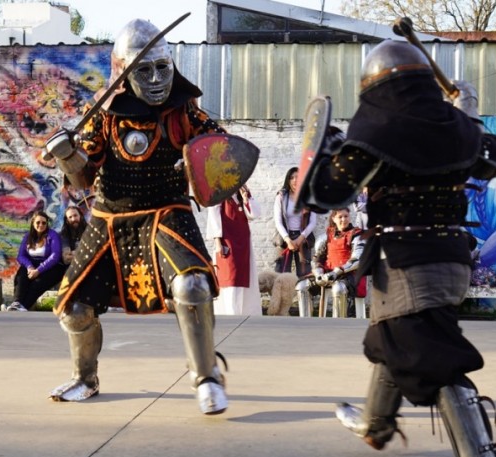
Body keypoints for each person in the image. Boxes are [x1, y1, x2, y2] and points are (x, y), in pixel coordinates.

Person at [297, 40, 496, 457]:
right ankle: (375, 424)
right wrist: (468, 112)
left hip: (406, 262)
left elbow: (323, 194)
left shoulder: (377, 132)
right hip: (450, 259)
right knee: (392, 340)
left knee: (429, 355)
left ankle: (478, 451)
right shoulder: (458, 129)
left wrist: (328, 150)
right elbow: (491, 159)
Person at [43, 19, 237, 415]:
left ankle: (206, 376)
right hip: (110, 215)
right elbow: (84, 176)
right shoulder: (103, 113)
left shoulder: (184, 111)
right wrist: (67, 154)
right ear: (123, 73)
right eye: (143, 70)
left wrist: (194, 164)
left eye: (161, 68)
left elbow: (218, 152)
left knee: (193, 287)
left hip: (167, 210)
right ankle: (85, 377)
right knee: (75, 308)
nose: (154, 79)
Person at [295, 208, 366, 318]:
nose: (343, 219)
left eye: (346, 216)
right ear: (334, 218)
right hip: (326, 273)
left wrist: (336, 272)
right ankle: (306, 323)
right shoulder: (327, 235)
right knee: (302, 286)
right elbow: (317, 258)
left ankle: (337, 325)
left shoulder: (357, 235)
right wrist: (319, 273)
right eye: (340, 217)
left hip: (349, 274)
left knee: (339, 288)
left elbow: (357, 259)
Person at [205, 184, 262, 316]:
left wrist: (246, 198)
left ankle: (243, 313)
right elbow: (213, 215)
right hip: (228, 242)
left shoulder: (241, 195)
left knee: (243, 280)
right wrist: (217, 241)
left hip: (243, 244)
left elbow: (255, 214)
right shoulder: (219, 193)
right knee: (231, 279)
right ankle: (230, 314)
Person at [7, 210, 63, 312]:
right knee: (21, 276)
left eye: (44, 223)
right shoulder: (28, 236)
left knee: (37, 284)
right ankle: (17, 302)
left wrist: (38, 270)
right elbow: (21, 255)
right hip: (32, 265)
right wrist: (29, 267)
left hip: (50, 267)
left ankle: (23, 306)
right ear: (33, 223)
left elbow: (55, 256)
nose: (41, 225)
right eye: (38, 222)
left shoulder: (53, 235)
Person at [273, 167, 317, 277]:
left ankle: (303, 294)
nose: (295, 180)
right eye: (291, 177)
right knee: (281, 274)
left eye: (298, 177)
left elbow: (313, 222)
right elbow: (278, 221)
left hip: (303, 237)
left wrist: (300, 238)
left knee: (304, 275)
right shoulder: (281, 197)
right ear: (288, 181)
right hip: (284, 239)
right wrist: (288, 240)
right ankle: (282, 295)